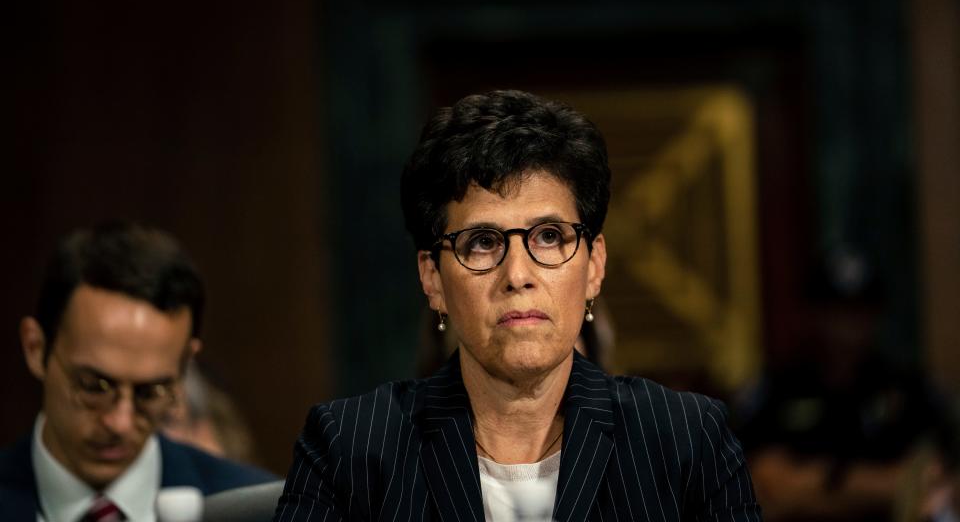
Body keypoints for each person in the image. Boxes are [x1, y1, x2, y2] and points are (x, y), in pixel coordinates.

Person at [275, 90, 760, 521]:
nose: (519, 276)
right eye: (482, 242)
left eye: (549, 237)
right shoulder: (351, 448)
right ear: (433, 280)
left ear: (594, 267)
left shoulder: (687, 441)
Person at [0, 222, 275, 521]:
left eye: (151, 393)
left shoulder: (260, 512)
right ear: (36, 348)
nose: (120, 423)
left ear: (184, 366)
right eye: (95, 386)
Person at [737, 250, 958, 521]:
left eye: (859, 312)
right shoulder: (776, 391)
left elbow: (931, 481)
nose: (847, 328)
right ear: (812, 315)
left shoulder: (910, 391)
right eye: (836, 312)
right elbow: (768, 489)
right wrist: (889, 484)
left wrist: (815, 487)